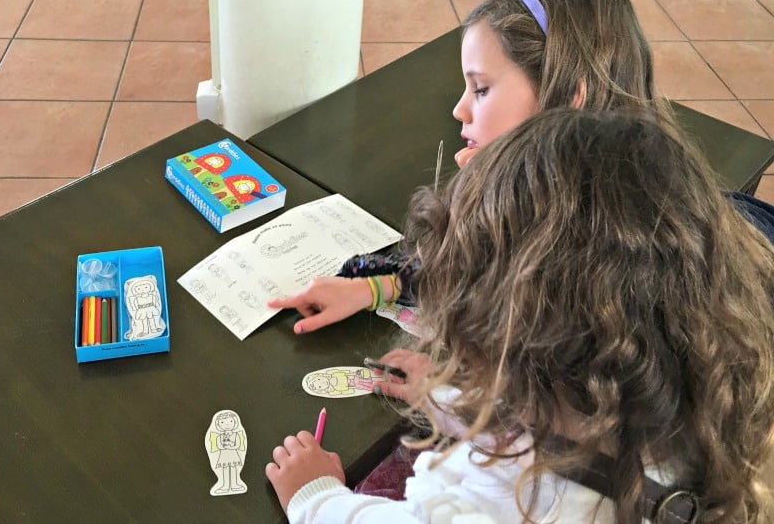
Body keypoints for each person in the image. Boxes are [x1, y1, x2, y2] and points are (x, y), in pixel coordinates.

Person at [265, 108, 774, 523]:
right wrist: (448, 397)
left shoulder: (493, 502)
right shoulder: (691, 399)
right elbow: (541, 421)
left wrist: (314, 498)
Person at [267, 0, 774, 334]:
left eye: (481, 90)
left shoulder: (608, 268)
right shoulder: (565, 189)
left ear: (566, 101)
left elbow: (508, 327)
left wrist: (470, 212)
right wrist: (374, 288)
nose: (459, 110)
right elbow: (473, 274)